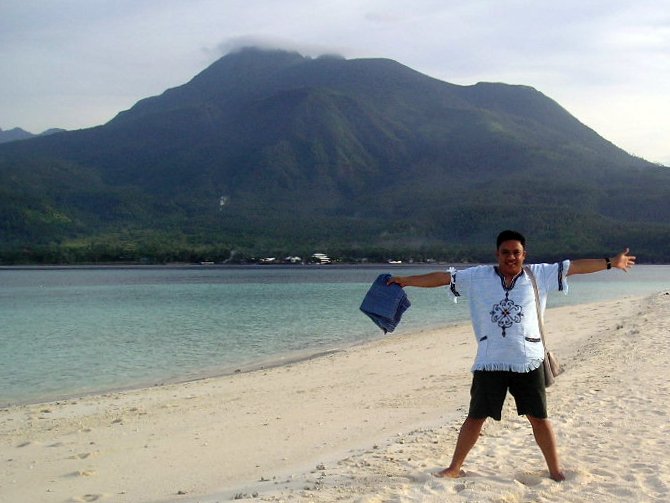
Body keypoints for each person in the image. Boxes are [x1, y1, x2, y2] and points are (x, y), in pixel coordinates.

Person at [387, 230, 635, 481]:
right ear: (497, 254)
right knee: (475, 417)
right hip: (489, 360)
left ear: (524, 254)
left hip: (528, 360)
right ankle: (454, 467)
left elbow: (575, 267)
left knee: (539, 418)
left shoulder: (540, 274)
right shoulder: (477, 277)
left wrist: (611, 263)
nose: (511, 257)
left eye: (516, 252)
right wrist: (406, 281)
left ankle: (556, 471)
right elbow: (441, 277)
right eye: (505, 252)